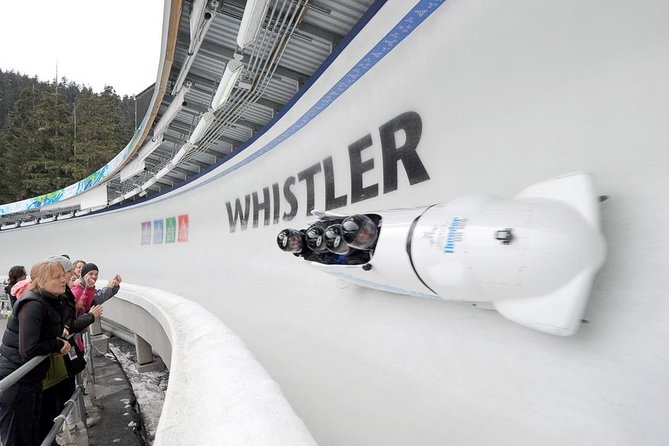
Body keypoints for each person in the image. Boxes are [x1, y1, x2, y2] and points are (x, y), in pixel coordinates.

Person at [0, 260, 70, 446]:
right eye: (57, 277)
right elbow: (28, 349)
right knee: (18, 437)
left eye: (63, 275)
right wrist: (56, 345)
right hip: (17, 380)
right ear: (41, 280)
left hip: (31, 379)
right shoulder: (32, 304)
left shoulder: (49, 300)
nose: (64, 280)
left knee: (33, 431)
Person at [40, 256, 103, 443]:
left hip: (68, 351)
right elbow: (70, 321)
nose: (65, 279)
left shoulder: (65, 293)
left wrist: (90, 289)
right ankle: (70, 426)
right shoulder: (49, 300)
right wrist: (90, 317)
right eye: (61, 276)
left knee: (70, 388)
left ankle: (71, 424)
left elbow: (73, 313)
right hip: (57, 359)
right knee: (59, 396)